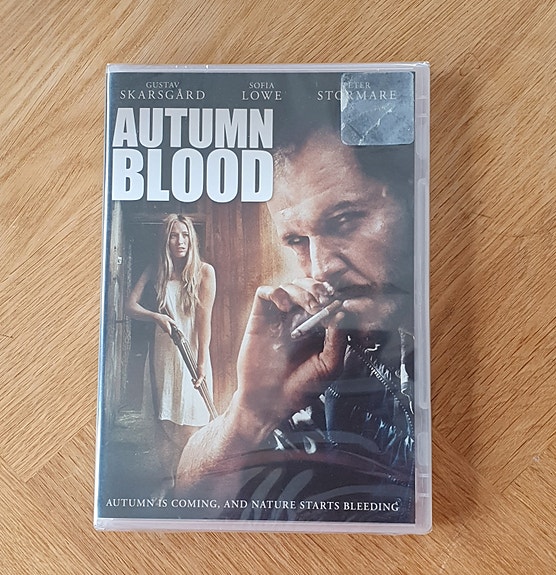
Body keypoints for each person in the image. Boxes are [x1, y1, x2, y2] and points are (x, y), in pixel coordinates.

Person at [176, 128, 416, 523]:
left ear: (411, 196)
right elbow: (185, 501)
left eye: (343, 221)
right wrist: (251, 413)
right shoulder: (324, 357)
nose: (321, 269)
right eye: (297, 241)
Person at [126, 214, 216, 493]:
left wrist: (201, 364)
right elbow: (129, 306)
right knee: (164, 418)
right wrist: (156, 316)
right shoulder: (156, 270)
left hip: (191, 353)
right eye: (174, 236)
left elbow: (204, 324)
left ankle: (188, 481)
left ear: (192, 239)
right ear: (166, 240)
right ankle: (168, 480)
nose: (180, 241)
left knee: (191, 419)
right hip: (163, 353)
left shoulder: (204, 272)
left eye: (185, 235)